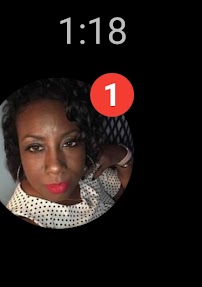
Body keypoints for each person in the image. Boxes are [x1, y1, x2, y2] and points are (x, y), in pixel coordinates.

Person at [2, 78, 132, 227]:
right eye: (35, 147)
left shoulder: (89, 170)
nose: (55, 167)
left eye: (70, 143)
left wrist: (122, 155)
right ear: (18, 151)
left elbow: (120, 189)